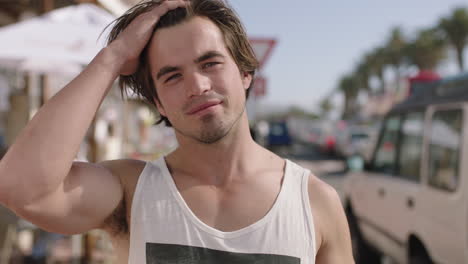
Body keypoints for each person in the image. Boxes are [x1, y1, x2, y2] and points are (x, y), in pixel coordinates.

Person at [0, 0, 354, 263]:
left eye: (210, 63)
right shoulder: (132, 189)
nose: (197, 86)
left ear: (245, 71)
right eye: (172, 76)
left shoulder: (314, 202)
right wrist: (113, 56)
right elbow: (21, 188)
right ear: (158, 102)